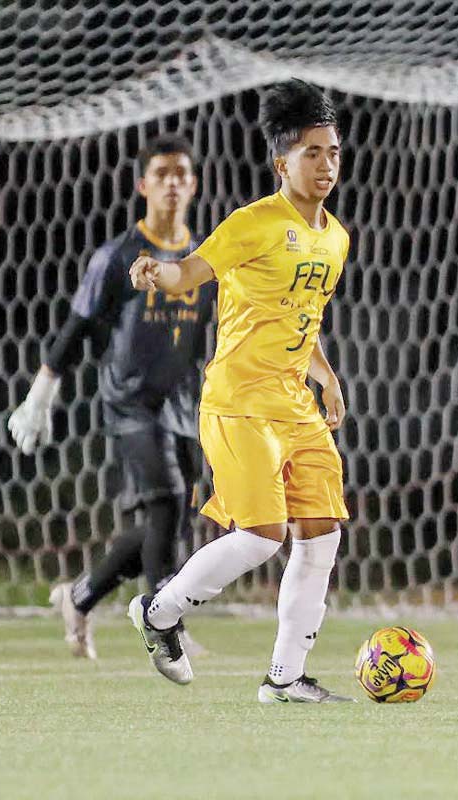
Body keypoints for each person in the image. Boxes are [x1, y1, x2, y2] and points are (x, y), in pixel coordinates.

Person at [125, 80, 354, 703]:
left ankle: (286, 678)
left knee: (322, 531)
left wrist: (326, 377)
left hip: (293, 402)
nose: (326, 164)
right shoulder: (253, 224)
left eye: (333, 152)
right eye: (313, 153)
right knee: (261, 533)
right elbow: (189, 273)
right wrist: (156, 271)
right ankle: (160, 610)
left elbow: (300, 317)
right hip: (238, 399)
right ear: (284, 162)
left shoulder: (335, 237)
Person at [7, 135, 214, 659]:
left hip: (183, 408)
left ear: (193, 184)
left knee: (162, 526)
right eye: (162, 172)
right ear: (143, 184)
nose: (172, 182)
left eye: (181, 173)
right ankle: (167, 627)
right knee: (166, 501)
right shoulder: (118, 256)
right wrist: (41, 393)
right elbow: (78, 327)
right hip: (129, 404)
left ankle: (79, 598)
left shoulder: (203, 258)